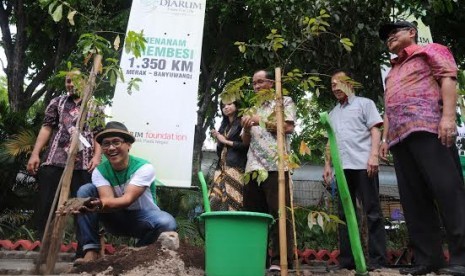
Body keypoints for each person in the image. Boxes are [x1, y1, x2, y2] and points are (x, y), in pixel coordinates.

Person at [379, 20, 465, 275]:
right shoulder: (392, 71)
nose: (389, 39)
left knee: (448, 192)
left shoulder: (431, 50)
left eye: (394, 33)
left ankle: (462, 258)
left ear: (412, 33)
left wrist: (448, 117)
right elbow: (388, 107)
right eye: (386, 38)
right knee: (414, 200)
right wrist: (385, 140)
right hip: (399, 139)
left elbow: (448, 78)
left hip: (429, 129)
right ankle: (429, 259)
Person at [70, 121, 177, 263]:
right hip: (115, 218)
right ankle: (91, 251)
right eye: (106, 144)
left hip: (142, 220)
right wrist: (90, 204)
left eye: (116, 142)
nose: (111, 148)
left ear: (128, 145)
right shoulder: (100, 171)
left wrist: (100, 204)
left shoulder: (144, 167)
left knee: (167, 222)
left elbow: (127, 199)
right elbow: (107, 200)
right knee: (85, 191)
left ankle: (136, 255)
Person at [27, 74, 103, 242]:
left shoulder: (95, 105)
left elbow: (99, 134)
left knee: (83, 205)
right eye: (68, 81)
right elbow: (47, 127)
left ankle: (83, 249)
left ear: (85, 82)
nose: (71, 84)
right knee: (47, 204)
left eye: (75, 81)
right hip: (55, 159)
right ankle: (44, 245)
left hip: (84, 163)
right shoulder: (57, 102)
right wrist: (35, 153)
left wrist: (97, 157)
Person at [323, 71, 386, 270]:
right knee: (344, 215)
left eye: (338, 83)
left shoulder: (365, 104)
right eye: (332, 85)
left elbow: (375, 130)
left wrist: (374, 155)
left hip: (363, 164)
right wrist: (327, 165)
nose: (334, 88)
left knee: (372, 212)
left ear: (349, 83)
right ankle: (347, 262)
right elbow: (329, 142)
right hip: (342, 170)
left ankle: (378, 261)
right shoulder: (332, 113)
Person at [241, 69, 297, 272]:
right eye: (254, 83)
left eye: (260, 82)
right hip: (253, 168)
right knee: (254, 216)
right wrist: (247, 128)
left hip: (276, 166)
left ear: (272, 83)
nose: (256, 87)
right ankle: (257, 259)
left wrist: (260, 120)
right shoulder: (251, 107)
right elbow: (245, 141)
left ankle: (280, 261)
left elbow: (288, 127)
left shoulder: (283, 101)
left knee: (280, 214)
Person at [209, 100, 249, 211]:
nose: (226, 107)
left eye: (229, 104)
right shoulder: (224, 125)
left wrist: (225, 141)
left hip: (236, 167)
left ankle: (234, 226)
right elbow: (219, 151)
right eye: (223, 106)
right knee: (215, 199)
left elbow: (246, 146)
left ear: (237, 105)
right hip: (221, 167)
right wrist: (218, 140)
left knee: (233, 200)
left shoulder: (242, 122)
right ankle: (218, 225)